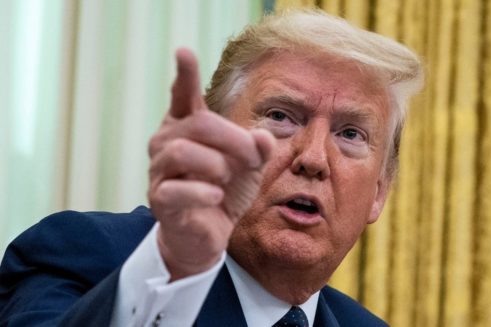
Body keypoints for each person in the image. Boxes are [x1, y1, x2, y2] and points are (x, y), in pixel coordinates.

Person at [0, 9, 423, 326]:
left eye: (350, 134)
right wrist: (176, 264)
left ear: (380, 192)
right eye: (280, 116)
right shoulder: (78, 256)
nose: (312, 158)